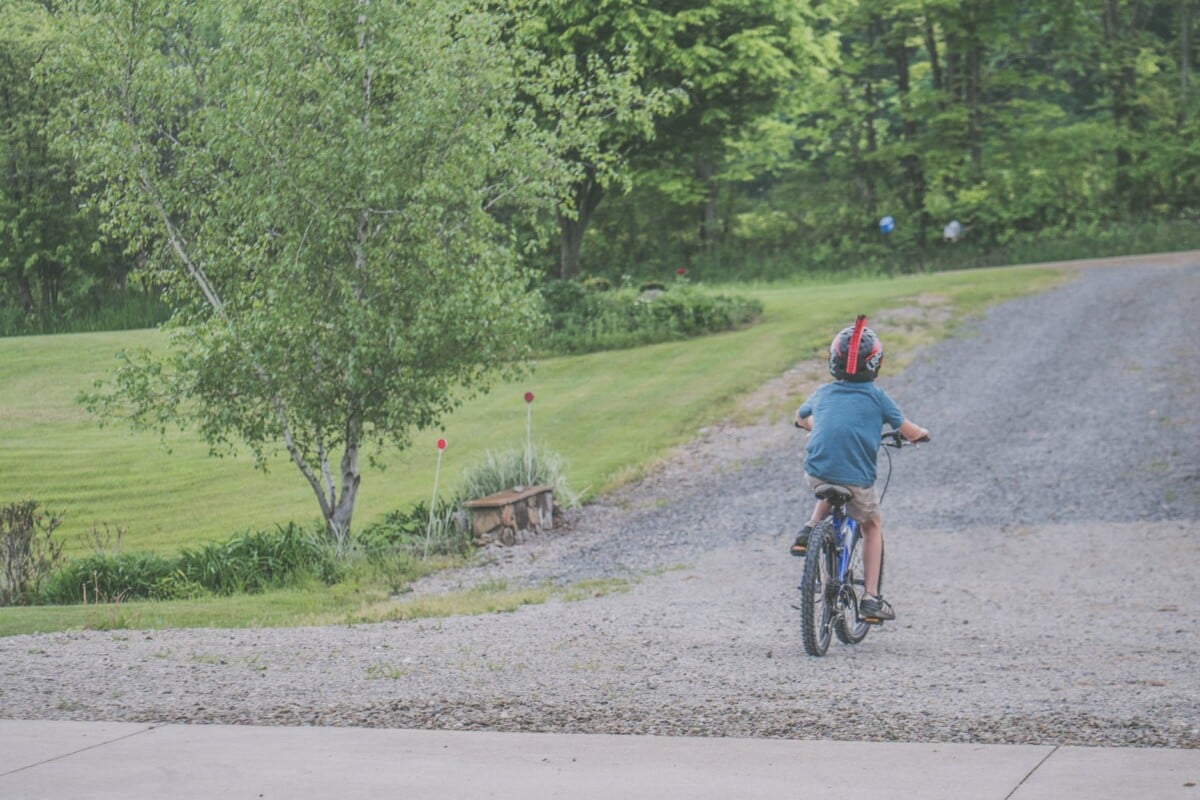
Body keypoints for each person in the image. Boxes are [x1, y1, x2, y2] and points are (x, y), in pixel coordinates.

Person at [790, 315, 929, 623]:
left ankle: (810, 529)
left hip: (816, 473)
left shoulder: (823, 392)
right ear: (875, 363)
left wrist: (815, 427)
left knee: (830, 478)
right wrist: (920, 434)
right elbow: (908, 430)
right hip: (856, 481)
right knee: (872, 524)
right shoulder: (877, 397)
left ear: (833, 360)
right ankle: (871, 598)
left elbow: (801, 418)